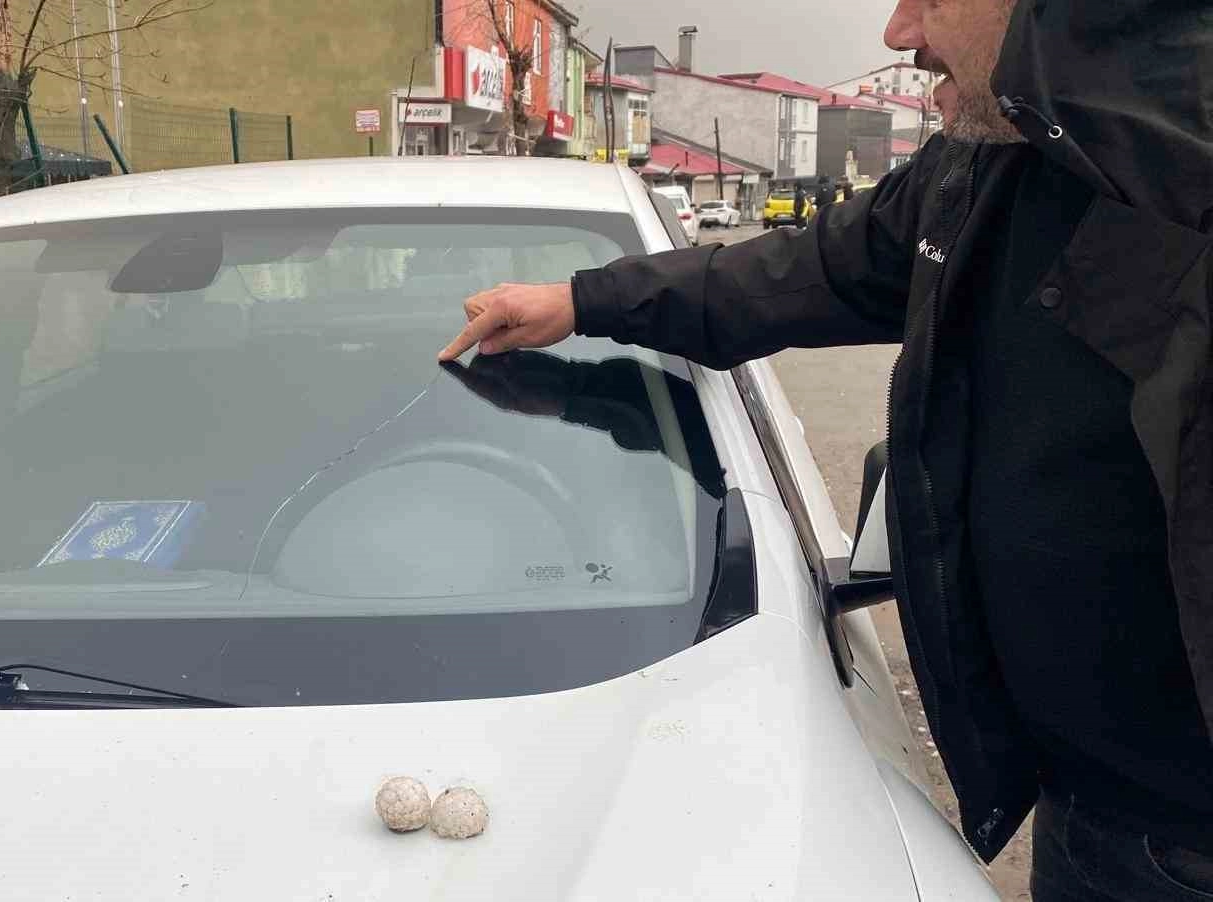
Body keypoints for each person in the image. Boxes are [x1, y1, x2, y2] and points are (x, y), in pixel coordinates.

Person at [438, 0, 1213, 898]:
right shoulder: (984, 166)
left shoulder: (1186, 183)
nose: (899, 35)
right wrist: (584, 301)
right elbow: (800, 273)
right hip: (1088, 806)